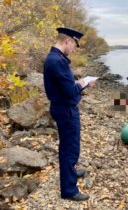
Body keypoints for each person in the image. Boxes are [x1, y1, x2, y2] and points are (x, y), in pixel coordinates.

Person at [43, 27, 94, 201]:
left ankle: (70, 171)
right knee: (69, 148)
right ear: (68, 41)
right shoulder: (56, 61)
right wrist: (82, 83)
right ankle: (69, 190)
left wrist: (81, 84)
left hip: (63, 107)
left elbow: (67, 88)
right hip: (65, 110)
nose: (74, 49)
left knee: (69, 145)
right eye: (74, 45)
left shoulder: (57, 58)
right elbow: (70, 91)